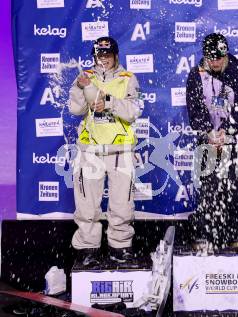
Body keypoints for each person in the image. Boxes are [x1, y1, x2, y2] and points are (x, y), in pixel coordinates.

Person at [68, 36, 141, 267]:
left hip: (120, 151)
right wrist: (79, 88)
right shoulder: (85, 78)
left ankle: (119, 249)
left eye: (107, 55)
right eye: (99, 55)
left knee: (121, 205)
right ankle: (88, 250)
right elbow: (75, 109)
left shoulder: (127, 78)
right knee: (87, 205)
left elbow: (131, 112)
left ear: (116, 56)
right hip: (90, 150)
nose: (103, 59)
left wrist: (108, 102)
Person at [186, 33, 238, 250]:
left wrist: (226, 133)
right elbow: (195, 108)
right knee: (209, 188)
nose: (215, 62)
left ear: (226, 54)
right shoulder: (196, 74)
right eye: (211, 57)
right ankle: (206, 233)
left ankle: (236, 232)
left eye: (219, 57)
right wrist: (209, 132)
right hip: (210, 139)